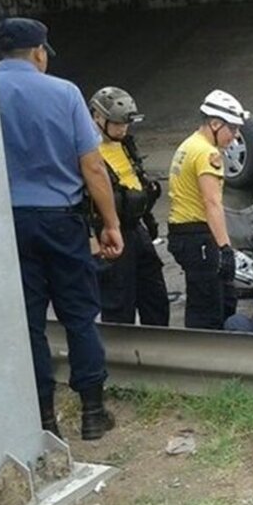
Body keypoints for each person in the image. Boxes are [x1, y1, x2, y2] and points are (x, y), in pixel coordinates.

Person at [0, 17, 123, 440]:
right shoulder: (64, 93)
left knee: (27, 321)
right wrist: (111, 224)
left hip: (6, 227)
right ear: (38, 52)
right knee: (79, 315)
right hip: (61, 221)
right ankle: (91, 414)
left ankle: (44, 420)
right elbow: (92, 167)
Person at [167, 89, 248, 329]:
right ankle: (207, 358)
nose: (235, 136)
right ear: (214, 123)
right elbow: (212, 203)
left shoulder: (189, 144)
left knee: (221, 297)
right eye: (232, 129)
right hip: (198, 236)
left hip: (183, 233)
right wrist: (225, 248)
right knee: (209, 308)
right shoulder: (207, 153)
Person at [89, 86, 169, 326]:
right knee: (119, 303)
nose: (123, 129)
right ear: (98, 118)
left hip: (137, 230)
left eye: (126, 124)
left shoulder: (125, 144)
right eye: (117, 123)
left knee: (155, 297)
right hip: (110, 233)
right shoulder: (88, 151)